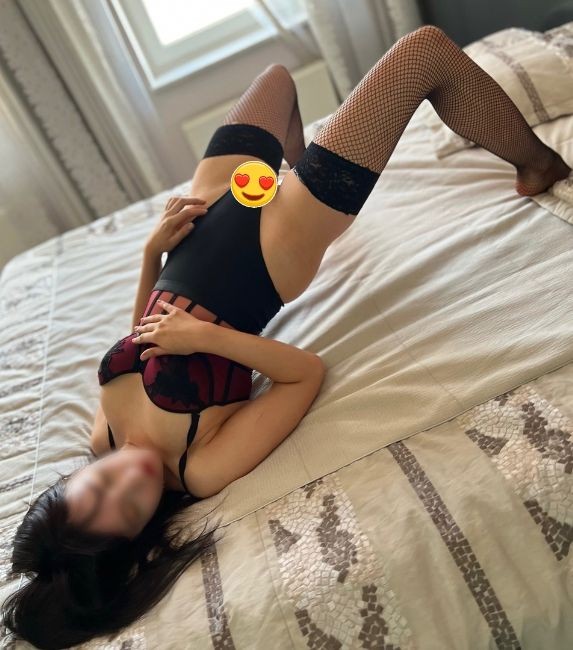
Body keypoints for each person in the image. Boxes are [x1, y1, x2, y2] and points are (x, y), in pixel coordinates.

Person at [2, 24, 570, 649]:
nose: (127, 477)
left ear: (70, 483)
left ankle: (309, 169)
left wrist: (150, 255)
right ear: (140, 535)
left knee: (275, 82)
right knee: (424, 53)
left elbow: (139, 340)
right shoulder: (199, 466)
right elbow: (303, 374)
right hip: (272, 249)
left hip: (206, 212)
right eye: (131, 506)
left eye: (99, 484)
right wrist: (206, 339)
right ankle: (537, 165)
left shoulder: (103, 436)